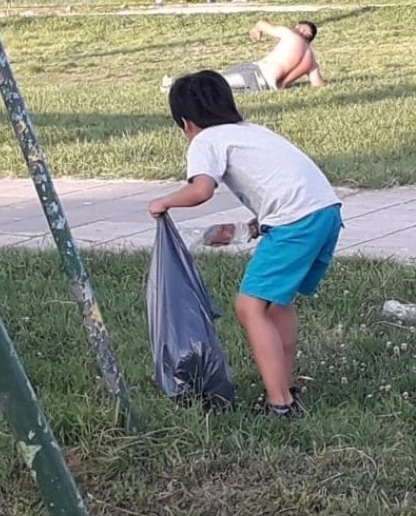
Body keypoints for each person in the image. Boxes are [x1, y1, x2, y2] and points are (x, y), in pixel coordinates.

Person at [147, 70, 343, 417]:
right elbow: (280, 179)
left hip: (296, 221)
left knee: (249, 307)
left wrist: (162, 202)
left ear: (185, 122)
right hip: (324, 211)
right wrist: (256, 225)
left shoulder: (205, 140)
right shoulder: (250, 131)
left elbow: (201, 191)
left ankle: (280, 403)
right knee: (277, 303)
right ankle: (287, 384)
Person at [160, 19, 325, 94]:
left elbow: (262, 23)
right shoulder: (311, 61)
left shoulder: (290, 35)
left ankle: (174, 85)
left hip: (257, 73)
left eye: (298, 27)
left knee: (216, 79)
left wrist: (256, 29)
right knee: (221, 86)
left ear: (299, 29)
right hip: (267, 87)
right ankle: (180, 86)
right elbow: (318, 85)